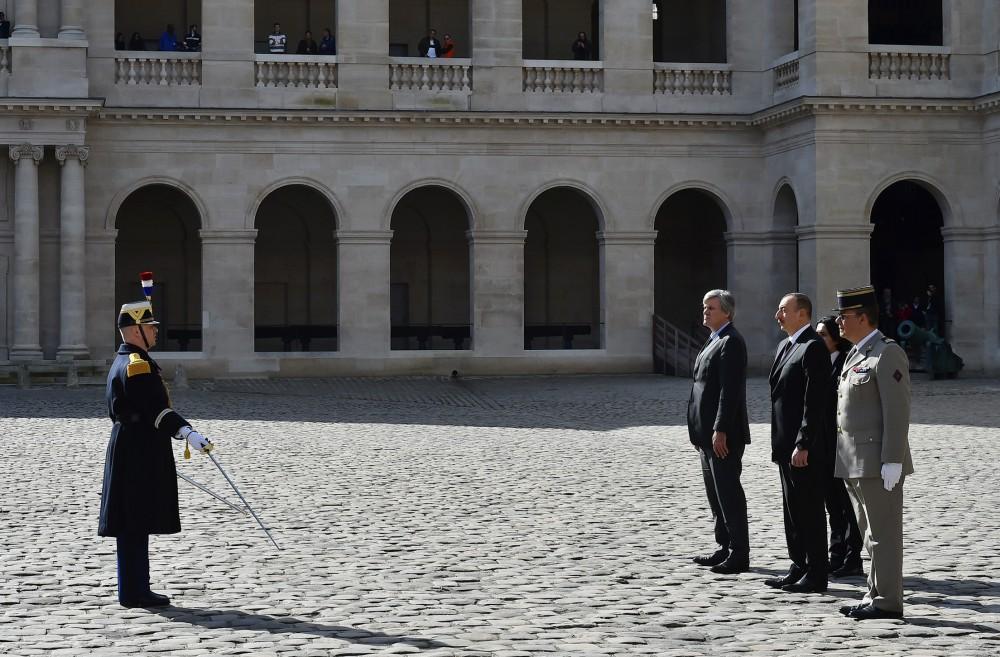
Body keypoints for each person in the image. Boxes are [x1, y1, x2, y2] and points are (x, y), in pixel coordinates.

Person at [98, 274, 214, 608]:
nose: (155, 332)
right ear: (136, 331)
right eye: (150, 327)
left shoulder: (126, 360)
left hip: (130, 446)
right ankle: (134, 591)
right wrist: (188, 433)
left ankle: (134, 588)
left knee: (133, 521)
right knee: (134, 521)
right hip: (138, 450)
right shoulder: (137, 366)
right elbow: (156, 411)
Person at [833, 285, 913, 620]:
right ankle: (875, 593)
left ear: (863, 317)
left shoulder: (886, 352)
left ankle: (888, 601)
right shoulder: (856, 353)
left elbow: (897, 410)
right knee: (869, 535)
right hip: (854, 461)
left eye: (844, 316)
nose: (839, 322)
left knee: (883, 535)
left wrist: (893, 459)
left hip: (877, 461)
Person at [765, 293, 831, 593]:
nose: (777, 315)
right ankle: (799, 563)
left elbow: (814, 401)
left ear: (802, 314)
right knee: (791, 509)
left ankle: (817, 572)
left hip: (803, 447)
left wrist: (803, 443)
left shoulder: (813, 348)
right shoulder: (785, 346)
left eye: (783, 310)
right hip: (784, 443)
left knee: (809, 509)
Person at [687, 289, 751, 575]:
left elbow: (730, 391)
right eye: (704, 307)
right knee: (715, 495)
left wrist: (721, 429)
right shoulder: (713, 340)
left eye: (711, 308)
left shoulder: (731, 342)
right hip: (706, 436)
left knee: (728, 494)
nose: (705, 311)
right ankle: (723, 546)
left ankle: (739, 552)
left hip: (722, 436)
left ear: (726, 312)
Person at [815, 315, 864, 578]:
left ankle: (852, 556)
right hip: (824, 444)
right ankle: (836, 554)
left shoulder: (846, 363)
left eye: (823, 335)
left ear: (835, 338)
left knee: (847, 505)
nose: (818, 339)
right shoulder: (818, 362)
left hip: (843, 445)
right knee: (832, 504)